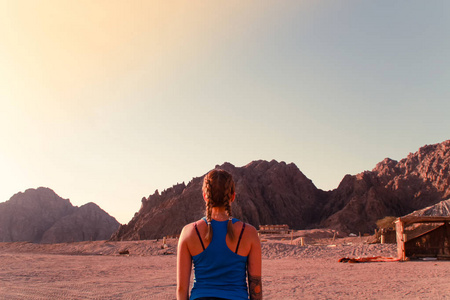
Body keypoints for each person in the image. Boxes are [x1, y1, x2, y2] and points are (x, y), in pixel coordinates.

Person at [177, 169, 262, 300]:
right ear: (232, 196)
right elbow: (256, 288)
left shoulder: (189, 232)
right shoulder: (249, 233)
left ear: (205, 196)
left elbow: (182, 289)